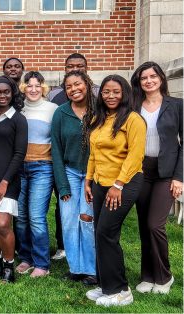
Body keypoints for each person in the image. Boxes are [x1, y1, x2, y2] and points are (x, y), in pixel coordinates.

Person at [84, 75, 146, 306]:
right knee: (100, 233)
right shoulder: (99, 119)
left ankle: (121, 290)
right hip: (100, 183)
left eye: (116, 91)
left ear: (125, 93)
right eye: (106, 92)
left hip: (125, 183)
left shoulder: (133, 119)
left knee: (106, 233)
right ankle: (106, 285)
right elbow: (93, 153)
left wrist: (118, 184)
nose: (110, 96)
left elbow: (136, 155)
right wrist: (88, 181)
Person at [131, 61, 182, 295]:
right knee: (144, 226)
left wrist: (179, 177)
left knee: (155, 225)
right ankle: (148, 275)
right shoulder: (133, 105)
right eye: (144, 78)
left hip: (166, 172)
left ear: (161, 78)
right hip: (141, 171)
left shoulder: (177, 105)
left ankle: (164, 275)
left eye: (152, 76)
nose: (148, 81)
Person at [47, 53, 100, 260]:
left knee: (87, 219)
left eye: (77, 85)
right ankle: (75, 266)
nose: (73, 89)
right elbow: (57, 150)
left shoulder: (100, 110)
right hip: (69, 172)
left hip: (92, 174)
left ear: (86, 84)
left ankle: (89, 265)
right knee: (68, 220)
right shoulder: (60, 112)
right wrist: (62, 184)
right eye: (68, 87)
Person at [0, 75, 28, 283]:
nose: (2, 95)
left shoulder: (18, 119)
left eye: (6, 92)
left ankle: (9, 266)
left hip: (7, 179)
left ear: (13, 93)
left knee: (2, 223)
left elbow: (19, 154)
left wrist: (4, 182)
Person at [15, 71, 57, 277]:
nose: (33, 89)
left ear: (43, 88)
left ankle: (42, 263)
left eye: (37, 85)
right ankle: (26, 257)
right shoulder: (18, 109)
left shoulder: (52, 109)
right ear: (23, 87)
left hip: (42, 167)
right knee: (21, 216)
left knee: (36, 216)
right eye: (29, 85)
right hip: (19, 167)